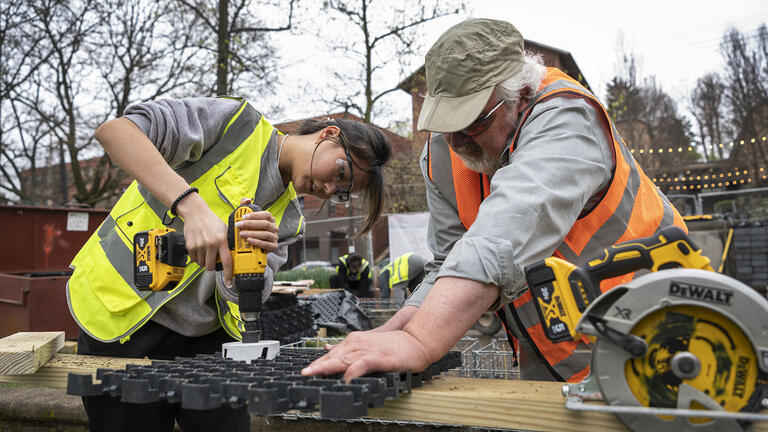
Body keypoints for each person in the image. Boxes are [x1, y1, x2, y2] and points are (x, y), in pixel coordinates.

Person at [302, 18, 686, 383]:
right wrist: (398, 328)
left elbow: (506, 231)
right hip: (551, 358)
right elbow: (447, 262)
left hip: (662, 336)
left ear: (520, 96)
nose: (457, 143)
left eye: (473, 123)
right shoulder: (442, 154)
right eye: (446, 125)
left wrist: (420, 341)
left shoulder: (567, 118)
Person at [66, 96, 391, 431]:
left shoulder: (291, 219)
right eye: (340, 172)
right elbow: (116, 132)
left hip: (207, 343)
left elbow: (246, 294)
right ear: (329, 133)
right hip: (125, 322)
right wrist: (191, 208)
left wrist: (241, 265)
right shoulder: (234, 124)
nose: (327, 188)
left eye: (340, 192)